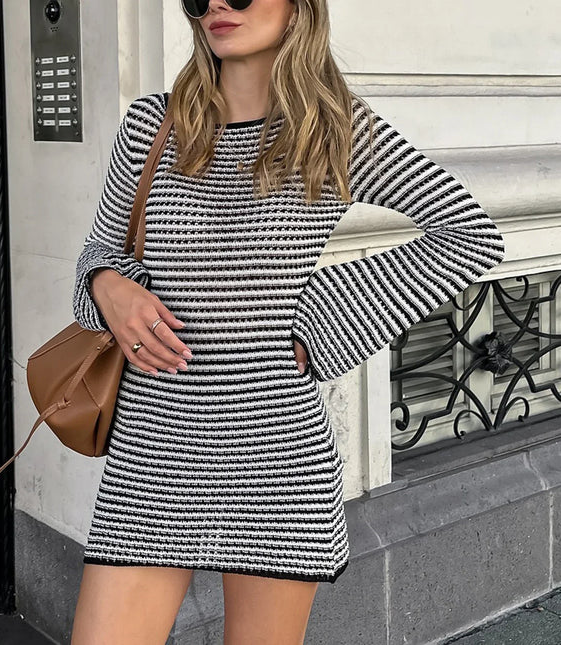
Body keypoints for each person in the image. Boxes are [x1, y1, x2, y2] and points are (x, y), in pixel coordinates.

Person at [70, 0, 506, 643]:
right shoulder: (152, 125)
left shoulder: (335, 132)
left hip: (276, 458)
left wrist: (325, 317)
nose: (216, 5)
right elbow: (101, 253)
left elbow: (468, 235)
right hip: (152, 452)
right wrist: (107, 285)